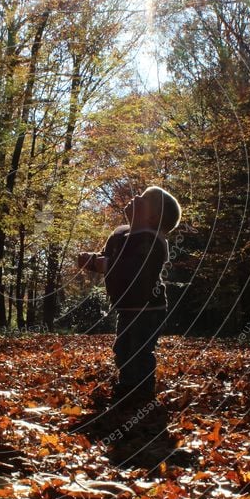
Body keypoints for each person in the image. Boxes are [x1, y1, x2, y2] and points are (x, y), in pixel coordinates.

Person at [78, 185, 187, 467]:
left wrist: (105, 263)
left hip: (148, 308)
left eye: (146, 200)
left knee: (140, 348)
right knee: (124, 346)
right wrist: (93, 261)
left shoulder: (152, 240)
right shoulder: (125, 235)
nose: (137, 198)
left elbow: (132, 266)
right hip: (127, 307)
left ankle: (141, 392)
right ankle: (127, 384)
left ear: (153, 218)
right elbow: (112, 259)